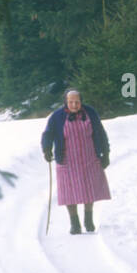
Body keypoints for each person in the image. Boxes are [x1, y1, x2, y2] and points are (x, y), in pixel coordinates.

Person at [40, 88, 111, 234]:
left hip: (89, 156)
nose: (74, 105)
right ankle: (74, 223)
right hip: (67, 159)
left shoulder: (90, 112)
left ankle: (88, 218)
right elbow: (48, 134)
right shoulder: (57, 116)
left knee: (89, 188)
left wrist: (106, 153)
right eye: (71, 102)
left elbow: (100, 132)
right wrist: (46, 149)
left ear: (81, 102)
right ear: (66, 102)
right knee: (69, 191)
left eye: (77, 102)